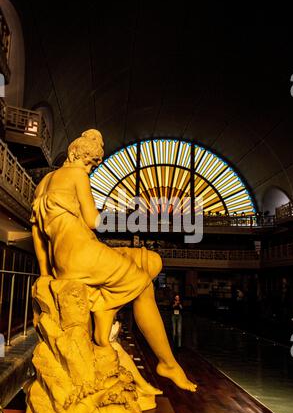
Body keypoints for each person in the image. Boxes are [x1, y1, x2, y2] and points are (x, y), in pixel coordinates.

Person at [30, 129, 196, 392]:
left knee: (149, 260)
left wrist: (45, 273)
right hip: (83, 255)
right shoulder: (76, 175)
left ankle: (105, 322)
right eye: (89, 162)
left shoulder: (44, 182)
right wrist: (134, 219)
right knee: (143, 285)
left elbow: (38, 235)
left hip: (68, 260)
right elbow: (92, 220)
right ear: (75, 154)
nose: (89, 168)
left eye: (93, 164)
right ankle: (167, 363)